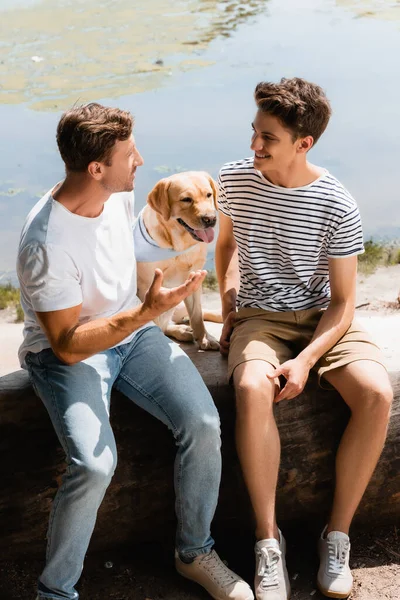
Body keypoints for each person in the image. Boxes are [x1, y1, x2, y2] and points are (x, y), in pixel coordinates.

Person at [17, 102, 254, 600]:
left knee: (204, 422)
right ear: (97, 168)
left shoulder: (119, 198)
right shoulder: (44, 242)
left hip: (134, 335)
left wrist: (202, 247)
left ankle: (194, 552)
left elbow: (132, 250)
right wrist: (148, 313)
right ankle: (55, 592)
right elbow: (66, 345)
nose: (141, 160)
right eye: (130, 154)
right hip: (72, 354)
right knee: (95, 464)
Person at [215, 78, 393, 600]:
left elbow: (343, 303)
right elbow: (223, 247)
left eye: (267, 137)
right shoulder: (233, 180)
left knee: (377, 394)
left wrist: (307, 361)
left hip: (322, 319)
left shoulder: (337, 203)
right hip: (260, 317)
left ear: (303, 143)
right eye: (253, 131)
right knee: (251, 389)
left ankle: (336, 536)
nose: (254, 146)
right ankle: (268, 541)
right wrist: (228, 305)